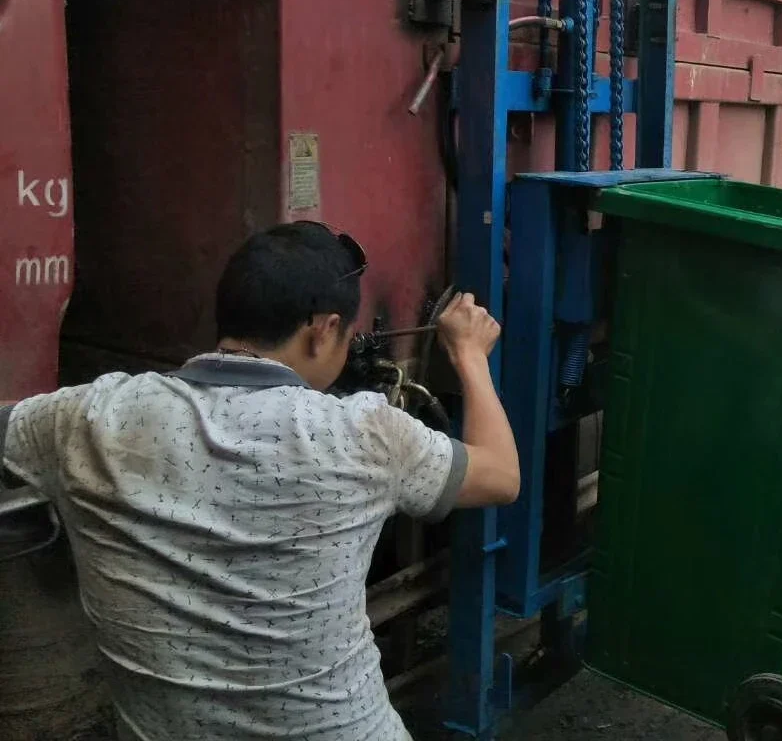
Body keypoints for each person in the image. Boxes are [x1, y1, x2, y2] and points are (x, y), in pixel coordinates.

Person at [0, 221, 520, 741]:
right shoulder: (363, 432)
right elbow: (500, 476)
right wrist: (470, 357)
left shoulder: (86, 416)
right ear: (322, 330)